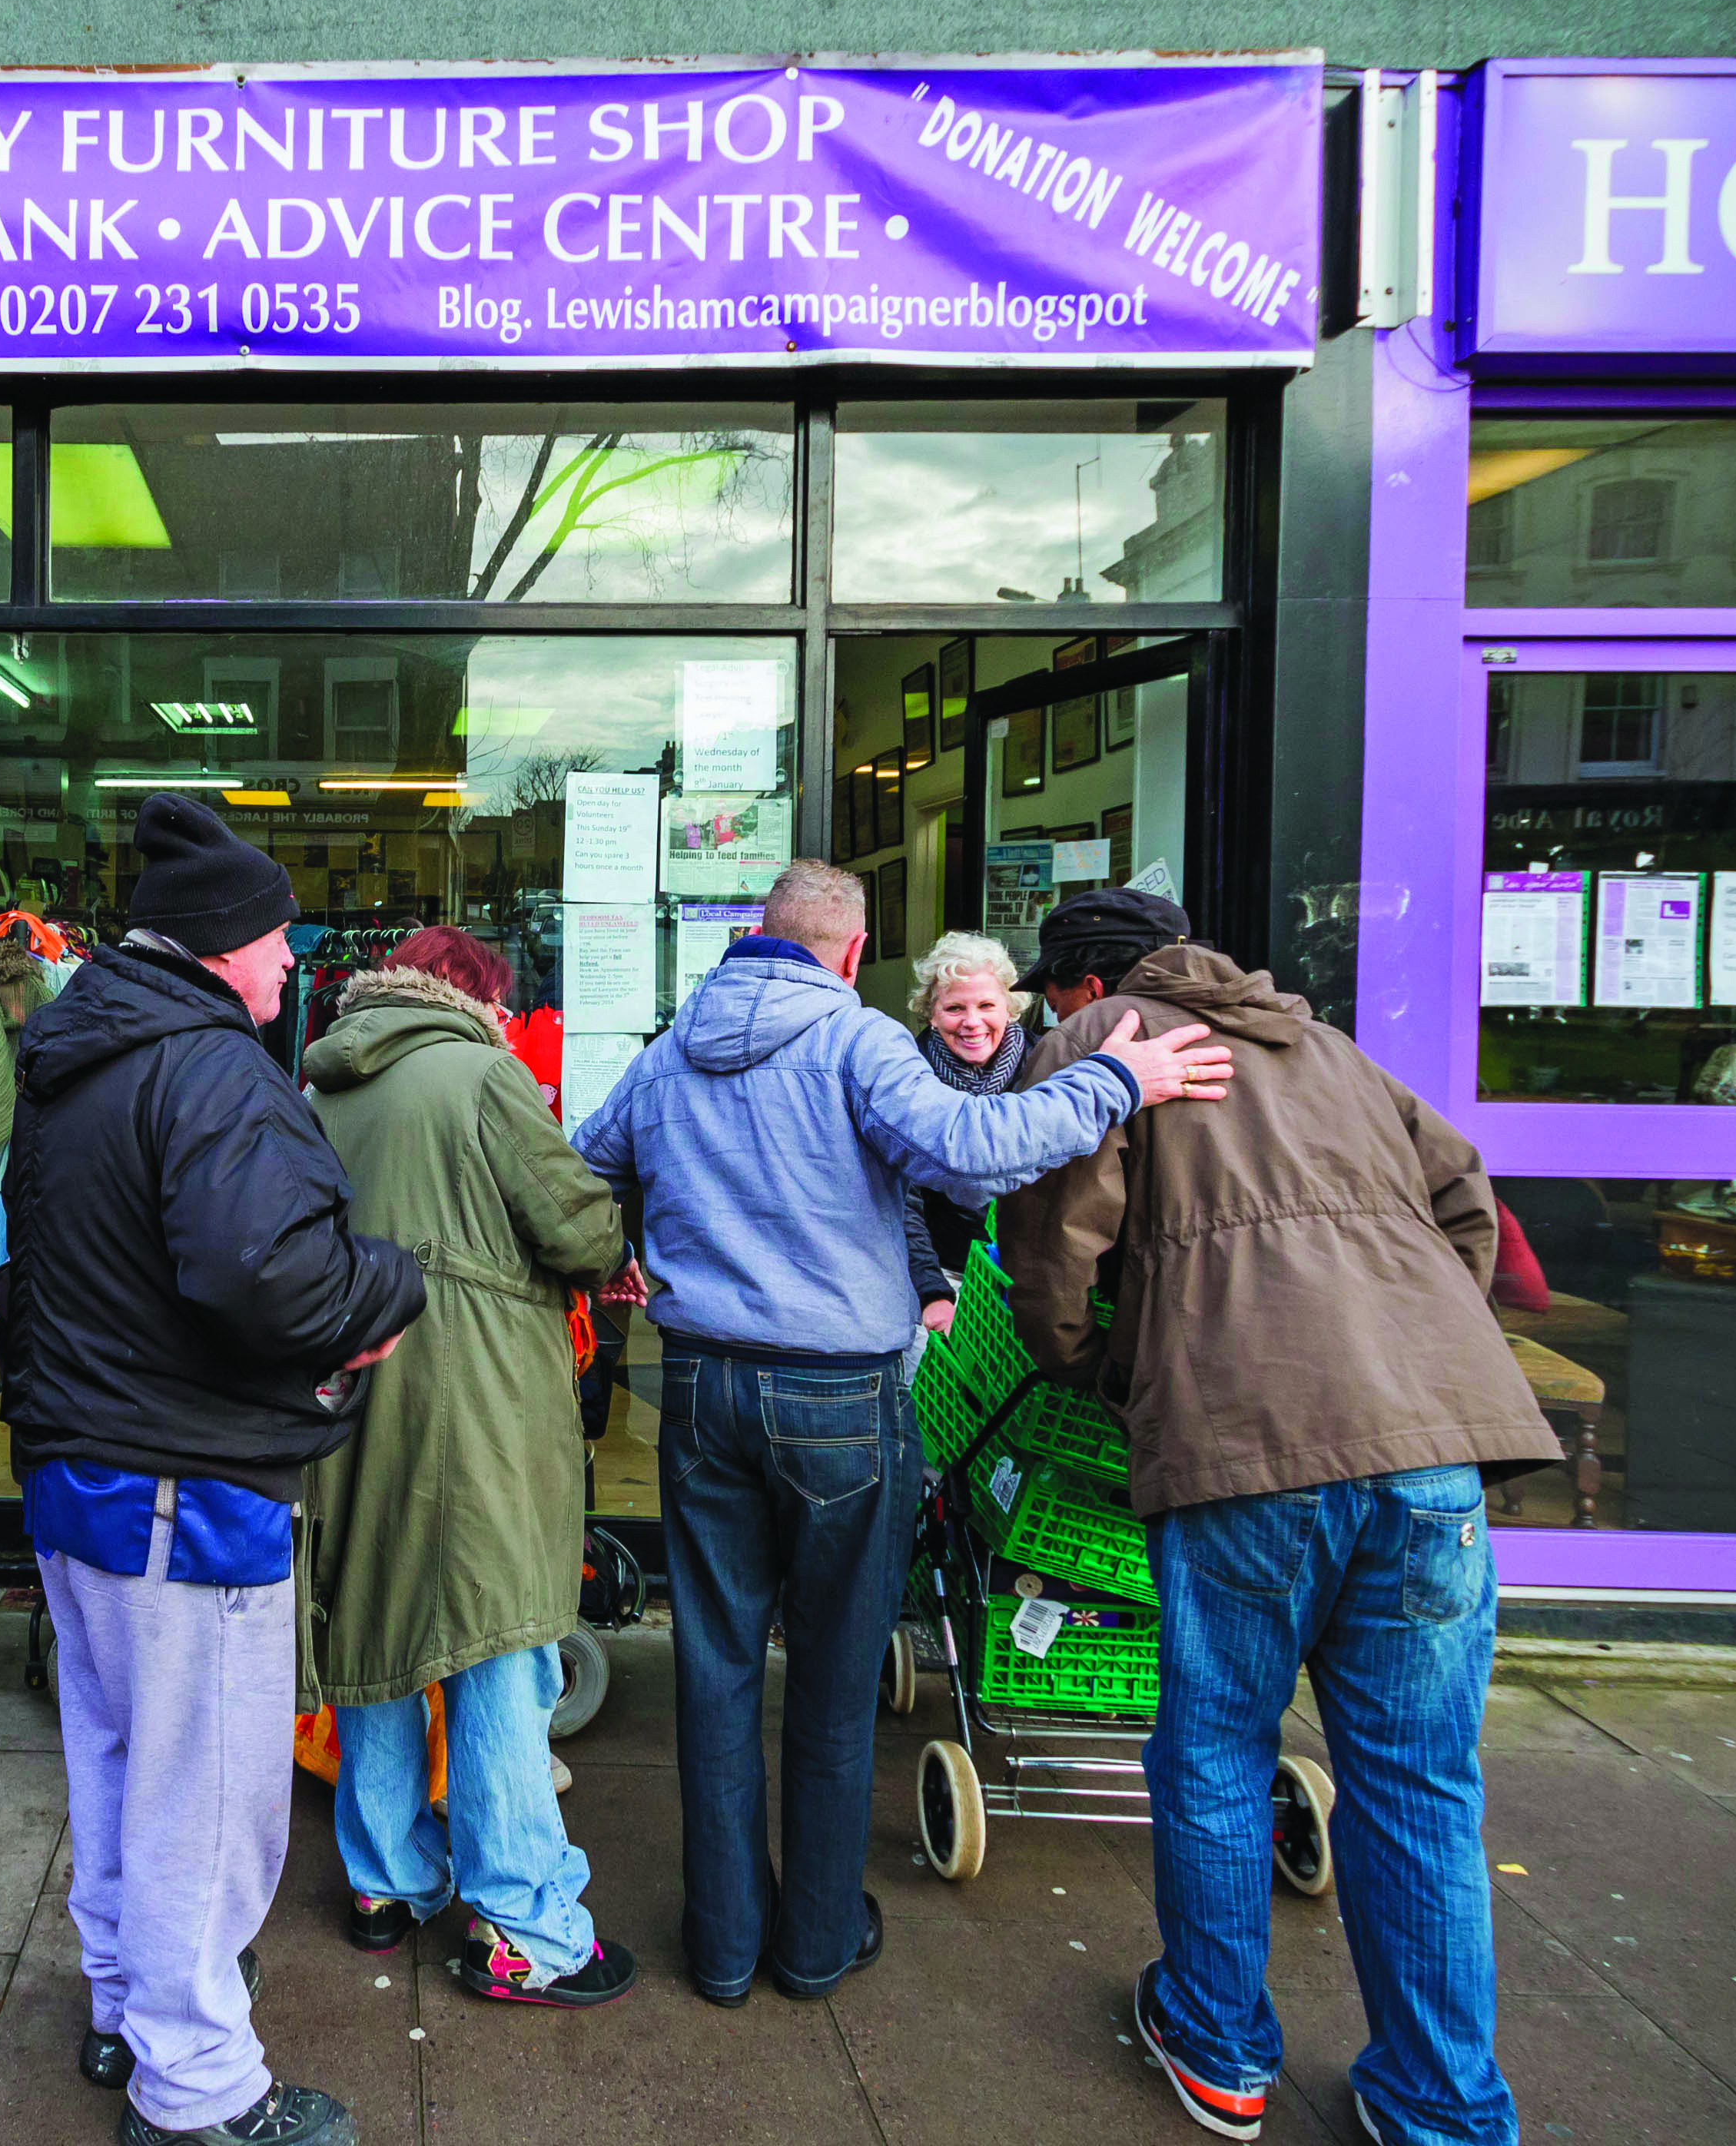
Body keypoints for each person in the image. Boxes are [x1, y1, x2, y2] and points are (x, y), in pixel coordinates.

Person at [568, 859, 1227, 2009]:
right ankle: (815, 1942)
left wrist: (620, 1259)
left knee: (716, 1669)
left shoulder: (669, 1054)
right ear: (852, 949)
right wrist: (1118, 1078)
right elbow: (976, 1150)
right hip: (838, 1397)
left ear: (754, 939)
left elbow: (581, 1171)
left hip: (705, 1387)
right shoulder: (855, 1041)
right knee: (830, 1670)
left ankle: (722, 1946)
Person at [989, 888, 1559, 2146]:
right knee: (1420, 1785)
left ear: (1083, 988)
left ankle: (1218, 2042)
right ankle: (1446, 2105)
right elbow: (1469, 1200)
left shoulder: (1110, 1047)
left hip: (1248, 1441)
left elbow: (1049, 1255)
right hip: (1434, 1455)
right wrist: (1401, 1349)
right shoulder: (1327, 1046)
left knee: (1216, 1749)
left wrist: (1114, 1374)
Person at [2, 794, 423, 2146]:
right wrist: (388, 1287)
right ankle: (200, 2092)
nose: (292, 964)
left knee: (122, 1764)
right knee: (207, 1793)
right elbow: (266, 1274)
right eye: (277, 940)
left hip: (87, 1471)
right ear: (220, 943)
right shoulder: (208, 1065)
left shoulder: (81, 1056)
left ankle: (131, 2014)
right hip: (183, 1484)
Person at [300, 926, 634, 2008]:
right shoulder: (483, 1075)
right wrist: (619, 1261)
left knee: (380, 1632)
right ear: (473, 993)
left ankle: (384, 1884)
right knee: (499, 1648)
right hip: (476, 1402)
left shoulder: (317, 1083)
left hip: (358, 1397)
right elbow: (576, 1225)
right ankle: (526, 1927)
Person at [901, 929, 1035, 1339]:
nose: (972, 1022)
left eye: (987, 1005)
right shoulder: (905, 1076)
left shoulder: (1045, 1067)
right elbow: (900, 1200)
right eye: (955, 1008)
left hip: (1032, 1281)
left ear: (1011, 1008)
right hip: (944, 1277)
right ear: (931, 1013)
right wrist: (932, 1292)